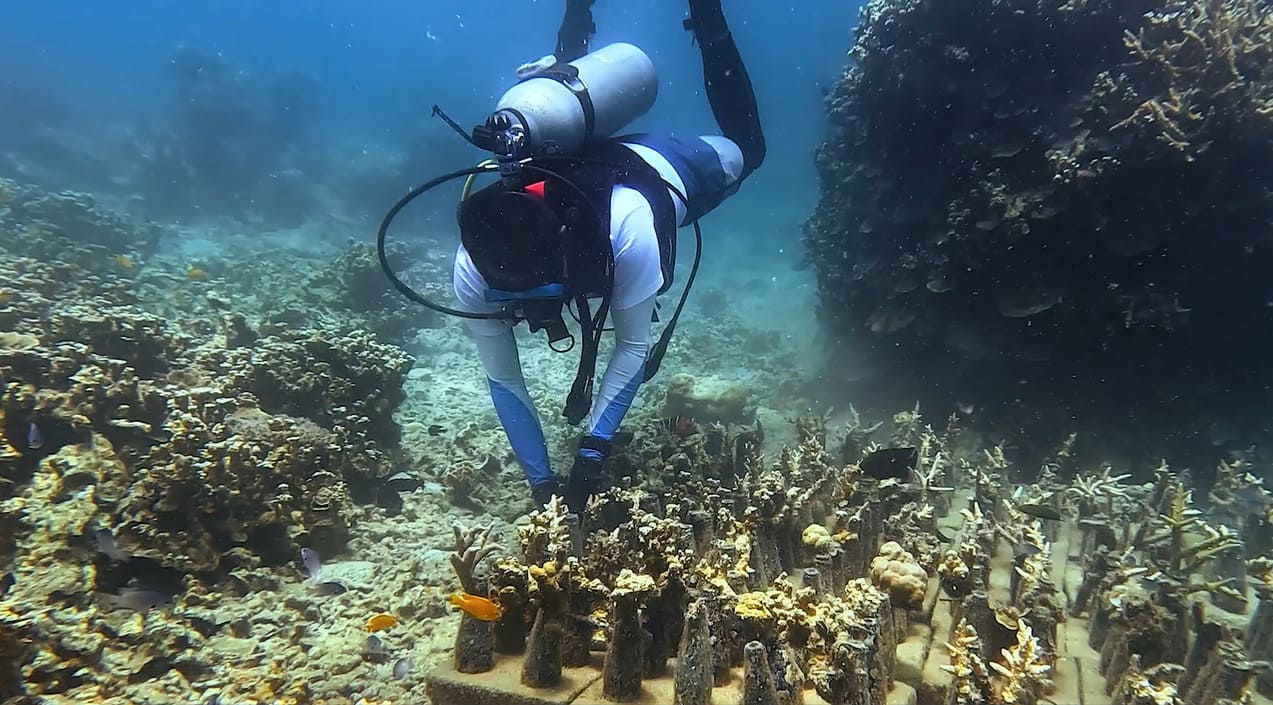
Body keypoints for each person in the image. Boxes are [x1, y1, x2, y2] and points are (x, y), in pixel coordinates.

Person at [452, 0, 765, 512]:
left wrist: (592, 454)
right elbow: (503, 377)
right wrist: (542, 484)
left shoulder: (626, 230)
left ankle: (707, 17)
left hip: (655, 171)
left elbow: (632, 347)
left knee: (746, 150)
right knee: (555, 135)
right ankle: (570, 51)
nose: (528, 311)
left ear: (565, 259)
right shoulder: (471, 264)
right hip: (565, 158)